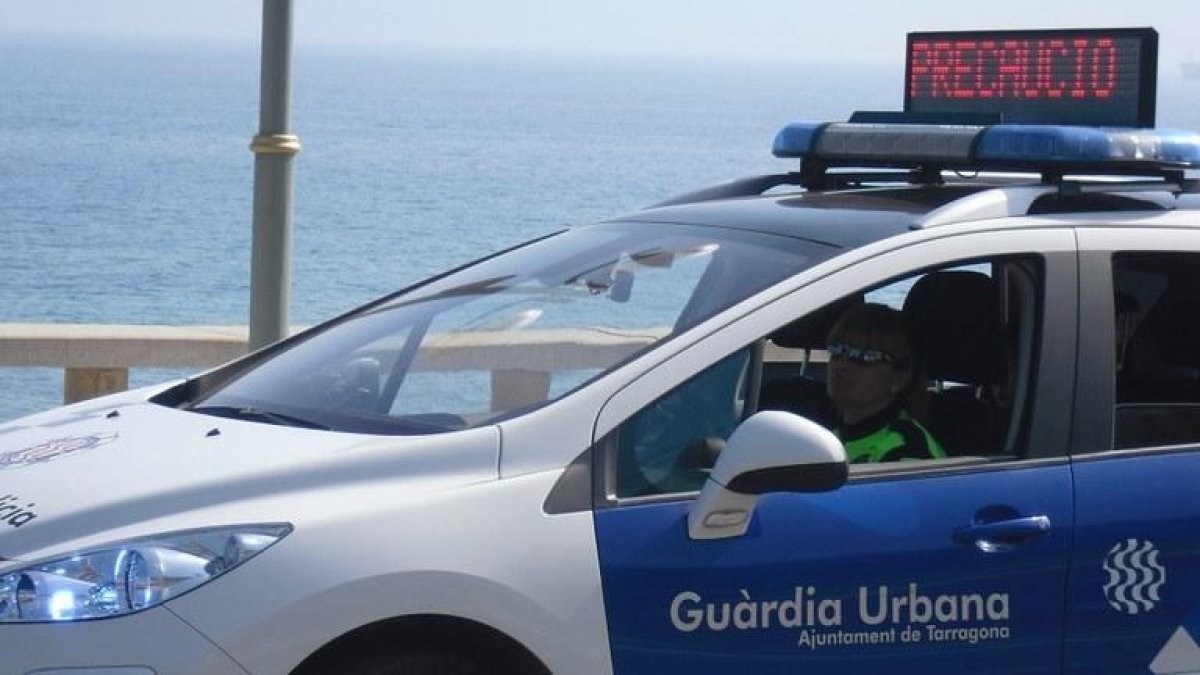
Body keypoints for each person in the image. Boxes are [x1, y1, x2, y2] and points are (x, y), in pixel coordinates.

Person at [825, 302, 945, 463]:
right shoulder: (828, 436)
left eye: (865, 356)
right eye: (837, 350)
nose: (842, 365)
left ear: (899, 379)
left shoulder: (909, 450)